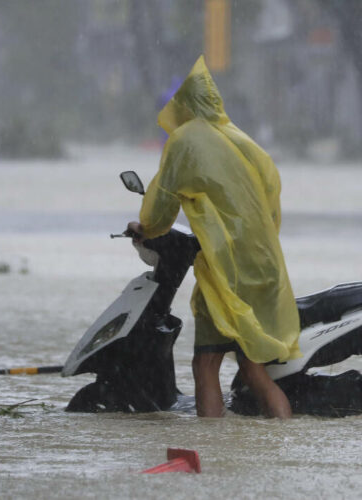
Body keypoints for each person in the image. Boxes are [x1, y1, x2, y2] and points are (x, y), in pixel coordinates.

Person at [127, 56, 300, 418]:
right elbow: (271, 199)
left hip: (227, 270)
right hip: (265, 265)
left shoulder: (185, 141)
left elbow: (161, 208)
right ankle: (284, 442)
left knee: (205, 366)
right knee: (254, 370)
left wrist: (145, 229)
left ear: (184, 106)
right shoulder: (241, 140)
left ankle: (212, 451)